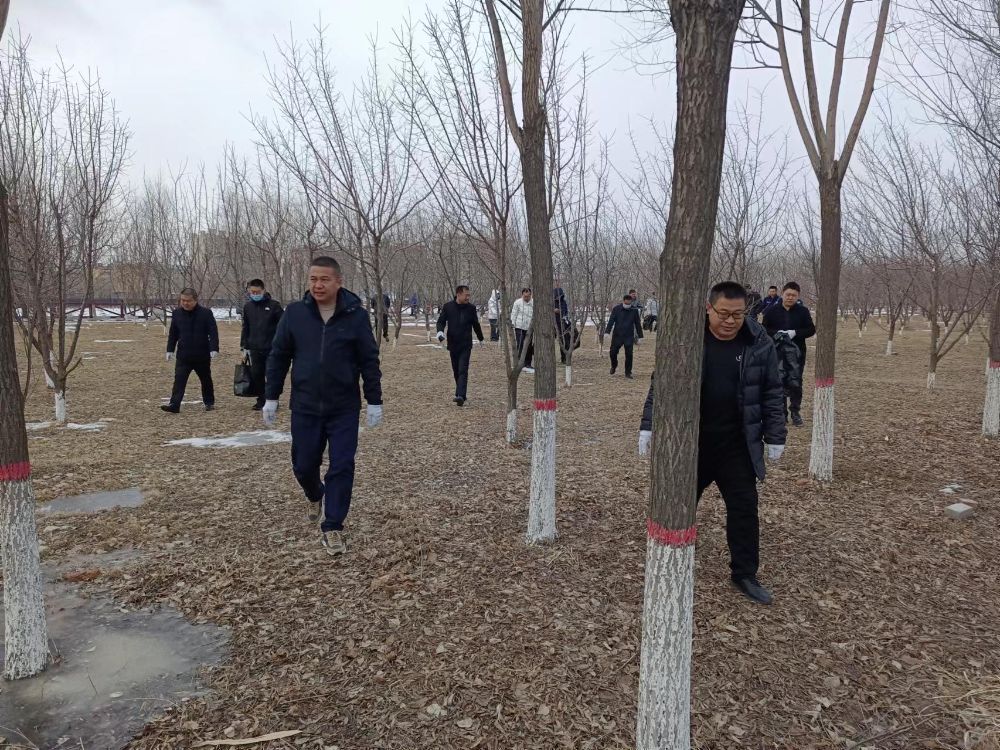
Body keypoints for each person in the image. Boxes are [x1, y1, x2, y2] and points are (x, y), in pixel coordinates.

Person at [638, 281, 786, 605]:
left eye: (738, 314)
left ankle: (744, 573)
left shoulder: (758, 341)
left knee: (744, 508)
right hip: (692, 444)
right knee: (678, 504)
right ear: (709, 308)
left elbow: (773, 390)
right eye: (724, 313)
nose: (731, 321)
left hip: (737, 444)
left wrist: (776, 434)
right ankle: (668, 558)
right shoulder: (688, 337)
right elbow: (661, 381)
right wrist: (648, 425)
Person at [263, 256, 383, 556]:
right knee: (304, 465)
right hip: (305, 405)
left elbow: (368, 359)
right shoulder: (295, 313)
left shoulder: (356, 316)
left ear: (338, 282)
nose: (318, 285)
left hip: (344, 407)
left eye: (324, 279)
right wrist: (271, 396)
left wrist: (374, 400)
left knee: (342, 465)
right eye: (313, 279)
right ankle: (315, 493)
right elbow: (279, 356)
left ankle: (333, 526)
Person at [762, 282, 816, 427]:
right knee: (778, 382)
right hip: (777, 353)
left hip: (797, 354)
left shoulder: (803, 311)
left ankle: (795, 412)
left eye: (794, 295)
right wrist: (777, 333)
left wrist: (795, 333)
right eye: (788, 294)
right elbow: (764, 330)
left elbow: (811, 329)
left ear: (798, 296)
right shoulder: (771, 311)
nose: (790, 297)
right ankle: (782, 413)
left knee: (795, 382)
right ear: (782, 294)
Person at [162, 288, 219, 413]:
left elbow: (213, 332)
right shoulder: (177, 313)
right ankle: (174, 404)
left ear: (195, 300)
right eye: (183, 300)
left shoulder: (206, 313)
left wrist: (214, 348)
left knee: (206, 380)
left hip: (202, 355)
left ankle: (209, 402)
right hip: (184, 355)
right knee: (179, 380)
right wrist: (170, 349)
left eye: (188, 301)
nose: (185, 303)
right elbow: (173, 333)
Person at [436, 285, 485, 406]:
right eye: (466, 295)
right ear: (458, 295)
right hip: (453, 344)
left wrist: (481, 338)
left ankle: (460, 395)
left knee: (463, 369)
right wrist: (440, 332)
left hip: (465, 344)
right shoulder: (448, 307)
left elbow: (476, 324)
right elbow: (441, 321)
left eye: (469, 295)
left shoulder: (471, 308)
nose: (468, 297)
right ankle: (461, 393)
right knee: (456, 370)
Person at [240, 279, 284, 411]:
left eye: (257, 292)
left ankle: (273, 400)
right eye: (252, 292)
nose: (255, 294)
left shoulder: (274, 306)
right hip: (255, 348)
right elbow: (246, 327)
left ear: (263, 290)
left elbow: (283, 325)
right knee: (256, 375)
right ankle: (261, 399)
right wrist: (244, 346)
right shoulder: (248, 307)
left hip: (271, 348)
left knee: (271, 375)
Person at [605, 293, 643, 378]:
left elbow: (637, 324)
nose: (628, 304)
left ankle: (628, 372)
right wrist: (607, 332)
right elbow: (611, 321)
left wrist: (640, 336)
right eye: (626, 302)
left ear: (631, 302)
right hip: (617, 335)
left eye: (629, 302)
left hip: (628, 336)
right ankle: (614, 366)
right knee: (613, 352)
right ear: (623, 301)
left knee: (629, 354)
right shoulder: (616, 309)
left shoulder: (634, 310)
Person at [510, 287, 535, 374]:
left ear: (530, 295)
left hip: (530, 328)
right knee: (520, 344)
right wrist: (512, 324)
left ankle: (528, 364)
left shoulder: (534, 303)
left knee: (529, 346)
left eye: (528, 296)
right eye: (525, 296)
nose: (526, 298)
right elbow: (514, 314)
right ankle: (520, 363)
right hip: (519, 327)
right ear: (522, 295)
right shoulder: (517, 302)